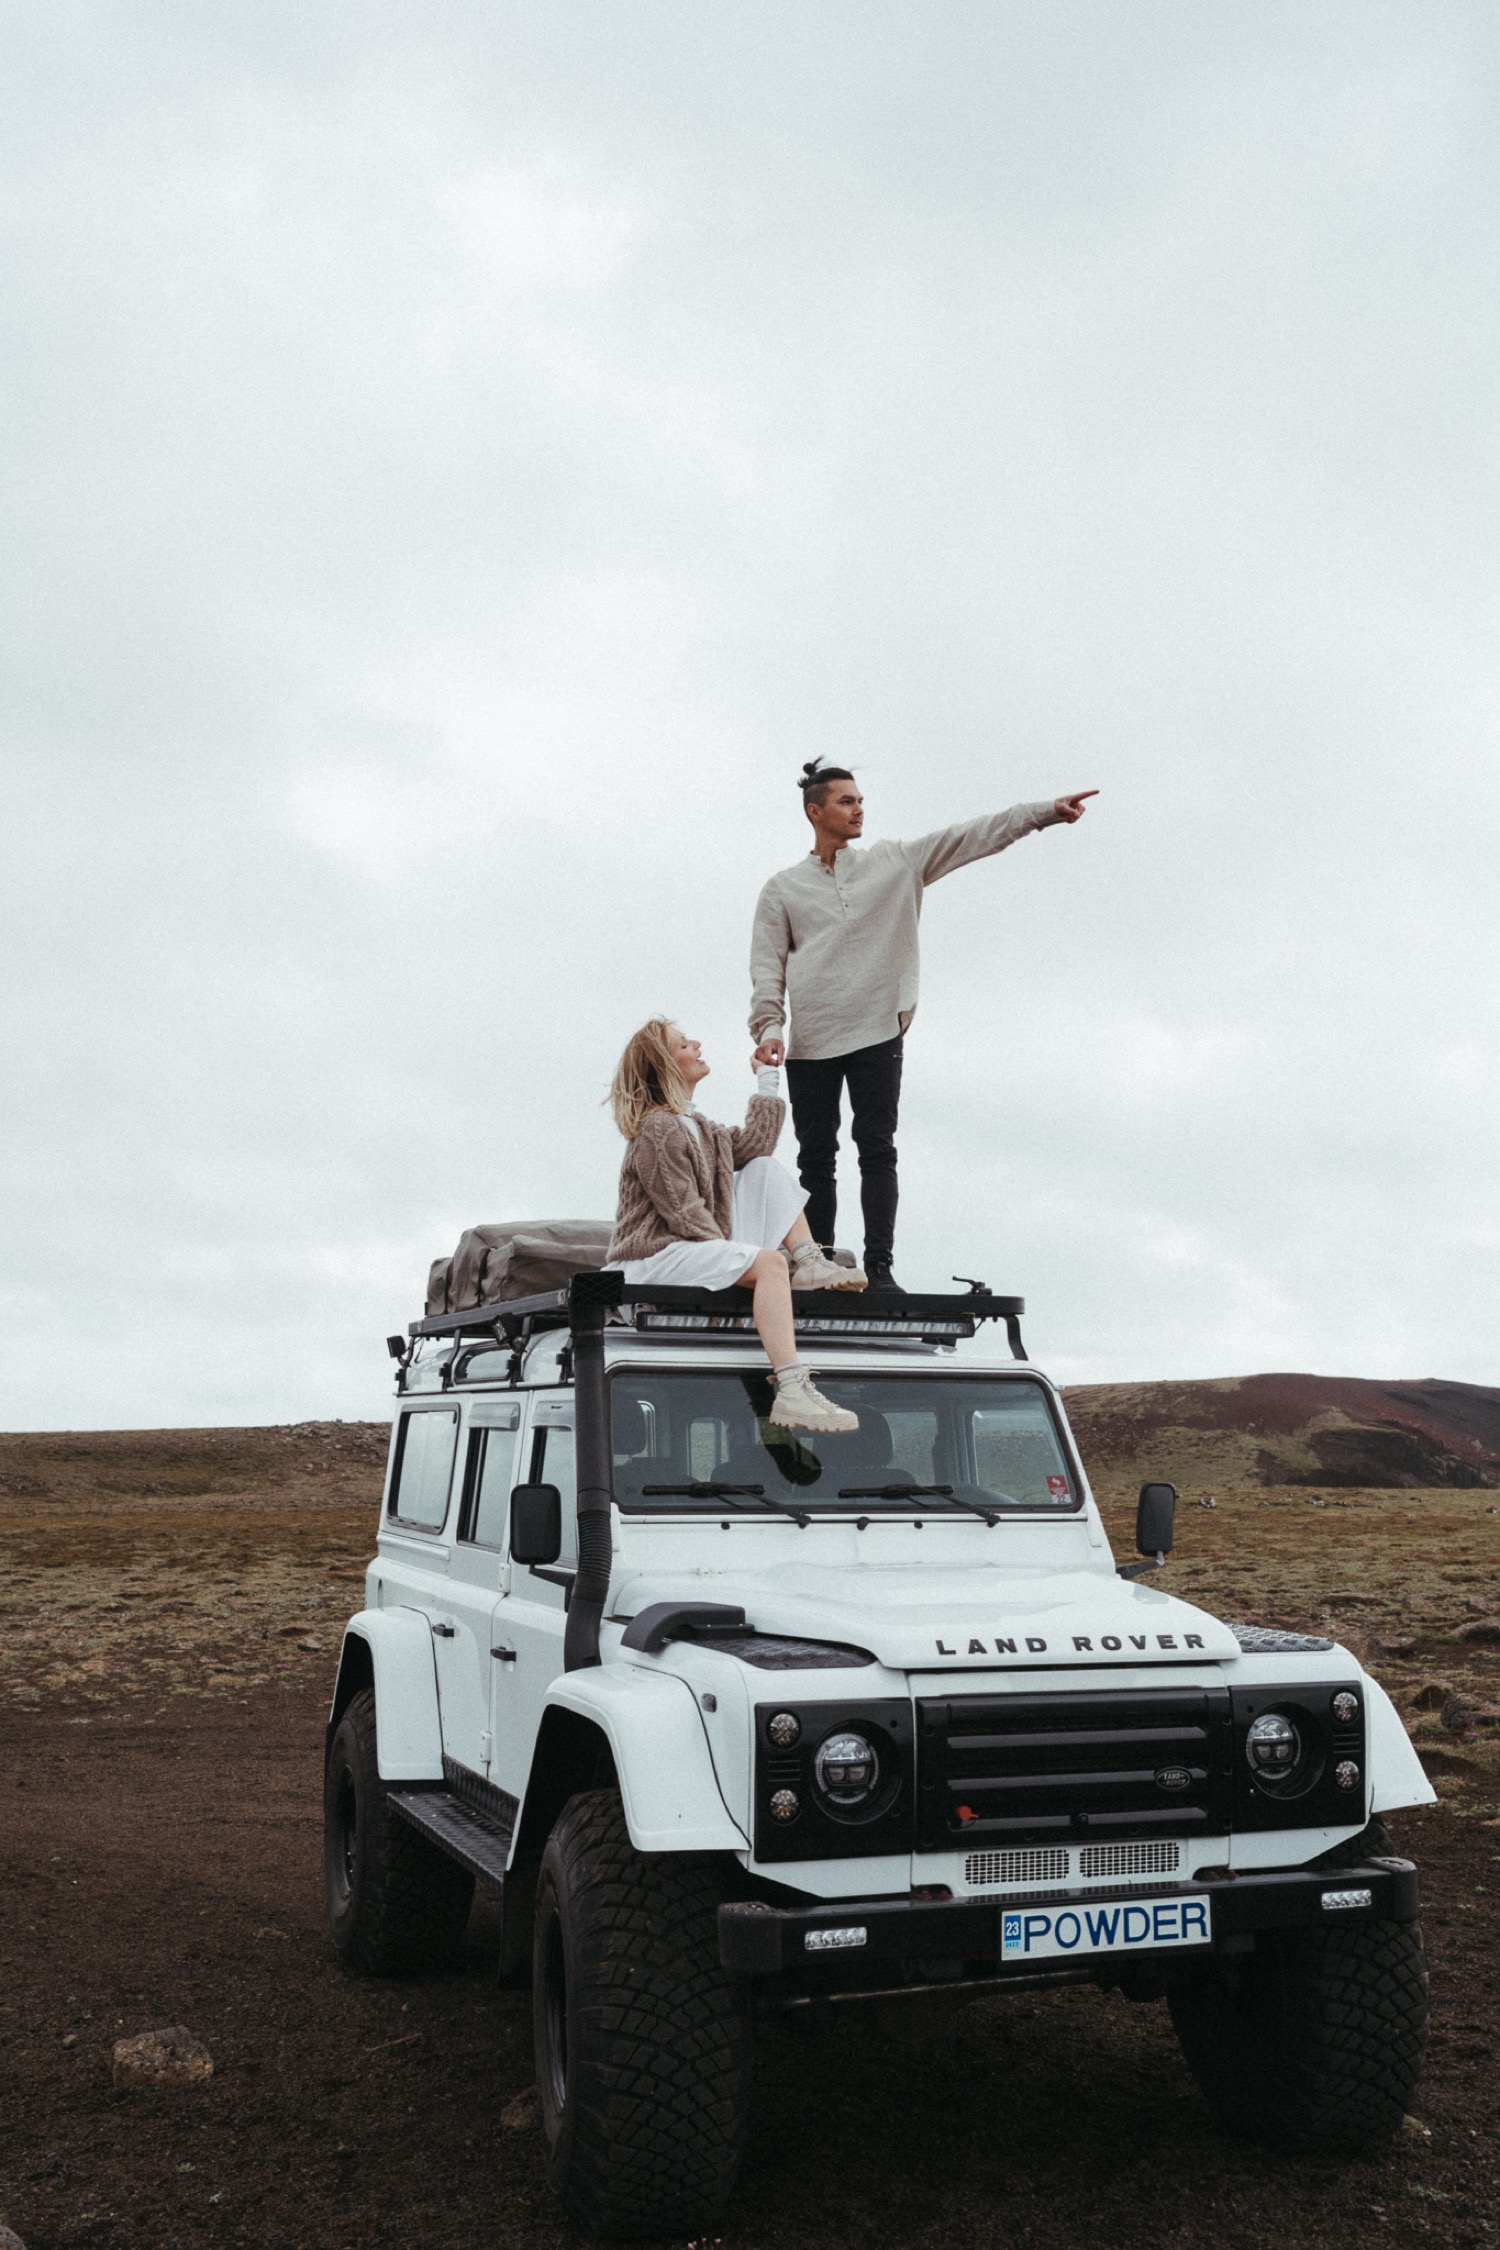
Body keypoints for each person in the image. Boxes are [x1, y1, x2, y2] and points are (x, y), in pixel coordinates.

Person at [749, 764, 1098, 1291]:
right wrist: (769, 1028)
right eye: (846, 801)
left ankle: (880, 1268)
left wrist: (1043, 814)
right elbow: (767, 966)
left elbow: (970, 837)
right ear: (814, 811)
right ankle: (815, 1265)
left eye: (861, 799)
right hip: (811, 1041)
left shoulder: (895, 861)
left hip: (877, 1029)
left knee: (876, 1147)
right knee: (815, 1156)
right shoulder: (783, 889)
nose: (859, 808)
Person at [606, 1017, 862, 1434]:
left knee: (763, 1168)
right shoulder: (657, 1127)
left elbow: (756, 1146)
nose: (696, 1044)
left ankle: (810, 1259)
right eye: (684, 1044)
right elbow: (684, 1213)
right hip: (653, 1257)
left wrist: (766, 1078)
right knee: (769, 1266)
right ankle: (792, 1386)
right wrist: (742, 1261)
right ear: (664, 1063)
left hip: (692, 1246)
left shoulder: (697, 1126)